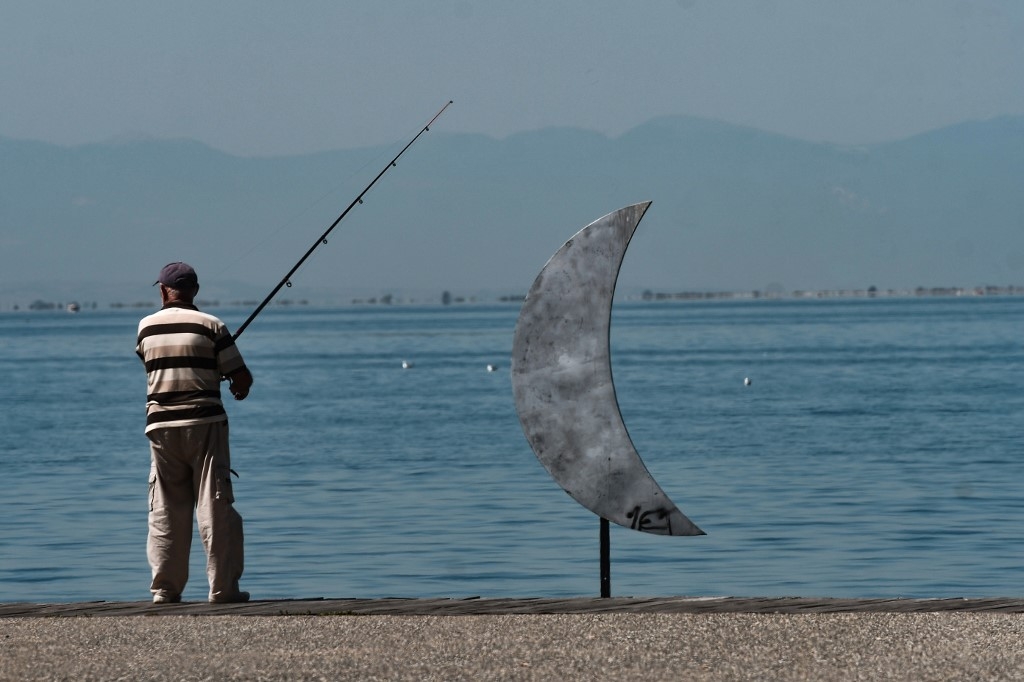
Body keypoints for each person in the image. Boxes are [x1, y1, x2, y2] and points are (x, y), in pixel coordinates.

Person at [135, 262, 254, 604]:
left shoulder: (145, 327)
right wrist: (232, 383)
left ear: (162, 290)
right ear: (195, 291)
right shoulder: (212, 325)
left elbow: (151, 364)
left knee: (165, 507)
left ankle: (164, 589)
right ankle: (223, 589)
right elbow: (242, 379)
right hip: (204, 424)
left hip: (160, 427)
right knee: (213, 503)